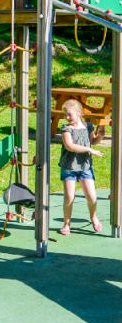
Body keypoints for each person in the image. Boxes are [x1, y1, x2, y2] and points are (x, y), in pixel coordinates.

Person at [58, 99, 105, 235]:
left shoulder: (88, 126)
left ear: (79, 113)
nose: (67, 117)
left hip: (85, 166)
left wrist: (100, 135)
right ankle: (67, 223)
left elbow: (93, 141)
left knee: (92, 196)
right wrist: (89, 150)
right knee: (69, 196)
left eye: (69, 114)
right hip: (69, 166)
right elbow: (70, 146)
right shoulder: (66, 129)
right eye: (65, 114)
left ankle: (93, 217)